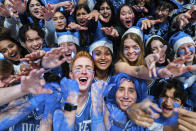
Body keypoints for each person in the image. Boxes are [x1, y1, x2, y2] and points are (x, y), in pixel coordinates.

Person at [126, 78, 196, 131]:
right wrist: (130, 109)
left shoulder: (187, 119)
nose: (168, 103)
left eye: (175, 99)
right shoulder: (148, 105)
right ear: (158, 97)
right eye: (164, 96)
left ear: (181, 105)